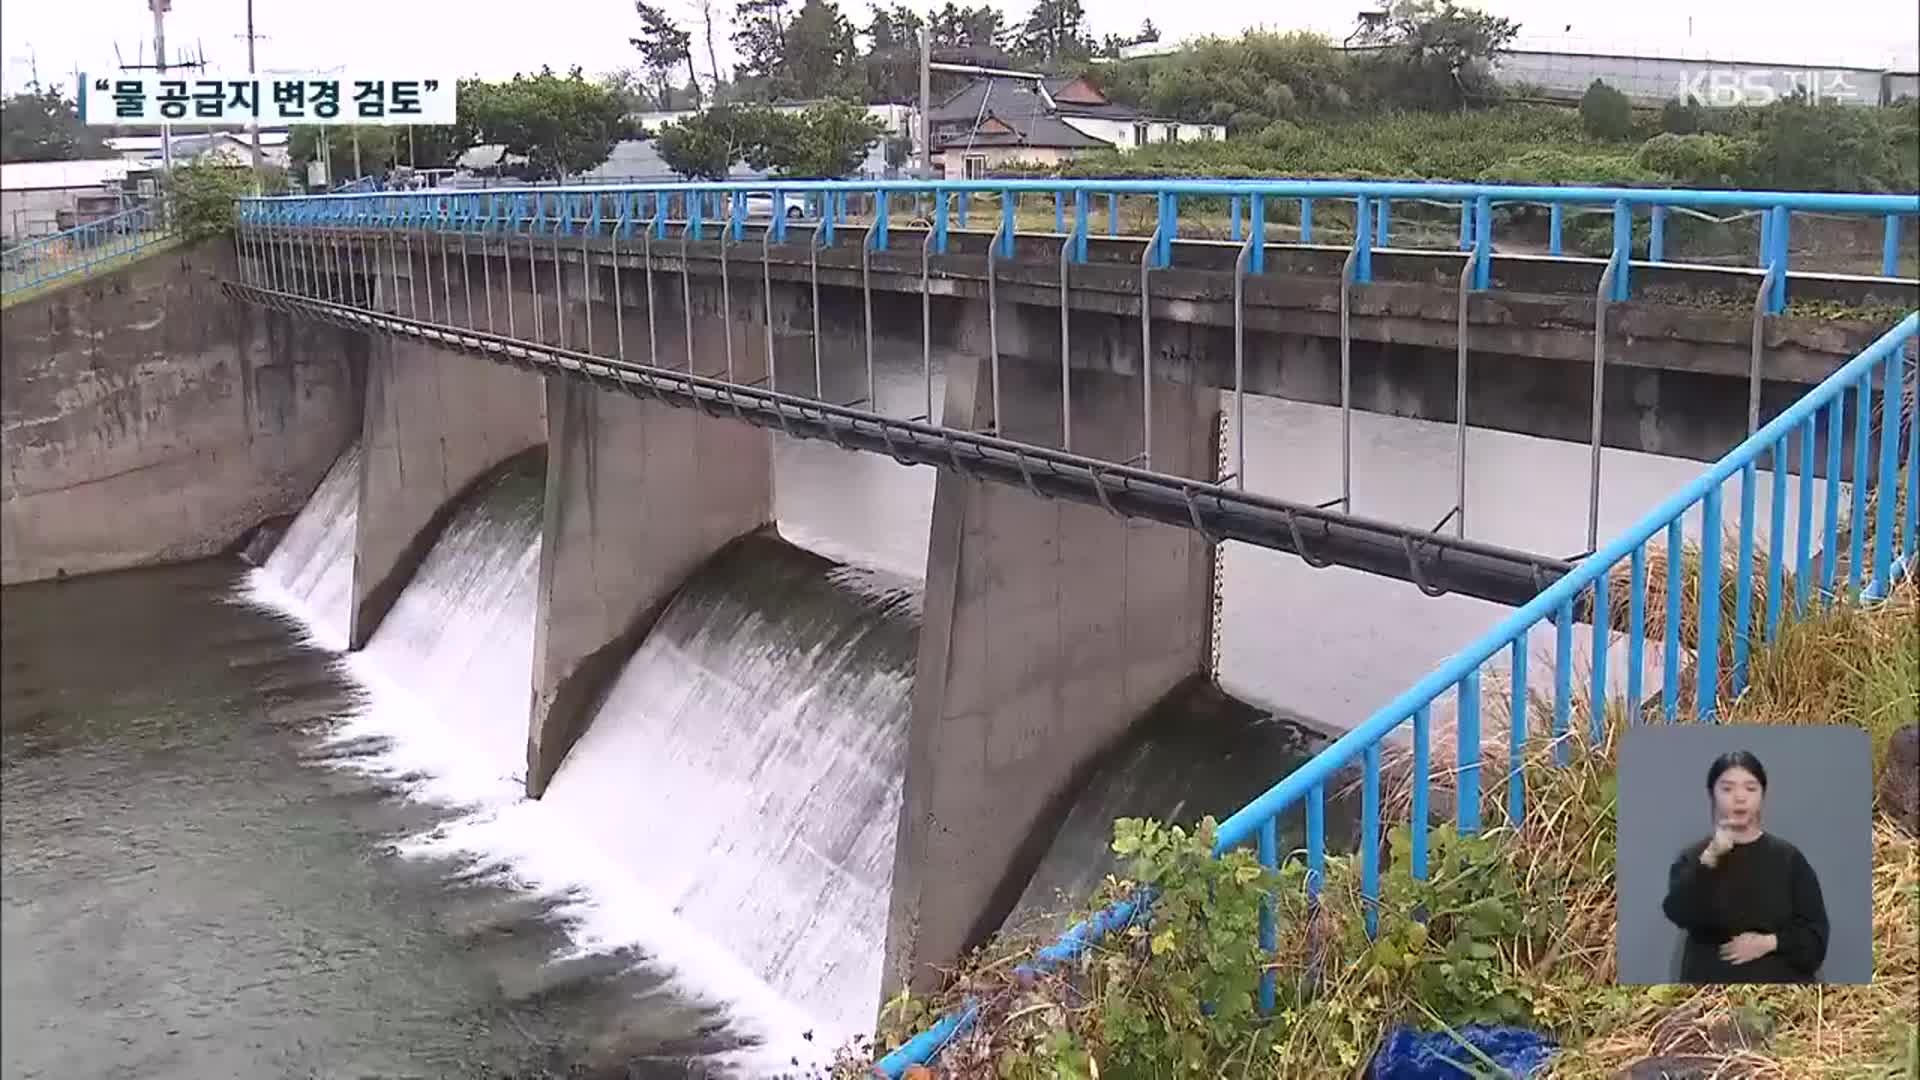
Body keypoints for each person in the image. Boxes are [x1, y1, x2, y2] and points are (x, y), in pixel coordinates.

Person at [1660, 750, 1829, 983]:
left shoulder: (1789, 859)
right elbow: (1678, 911)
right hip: (1709, 995)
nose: (1740, 798)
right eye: (1727, 789)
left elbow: (1815, 938)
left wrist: (1768, 943)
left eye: (1750, 788)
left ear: (1763, 795)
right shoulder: (1694, 857)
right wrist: (1712, 856)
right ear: (1712, 794)